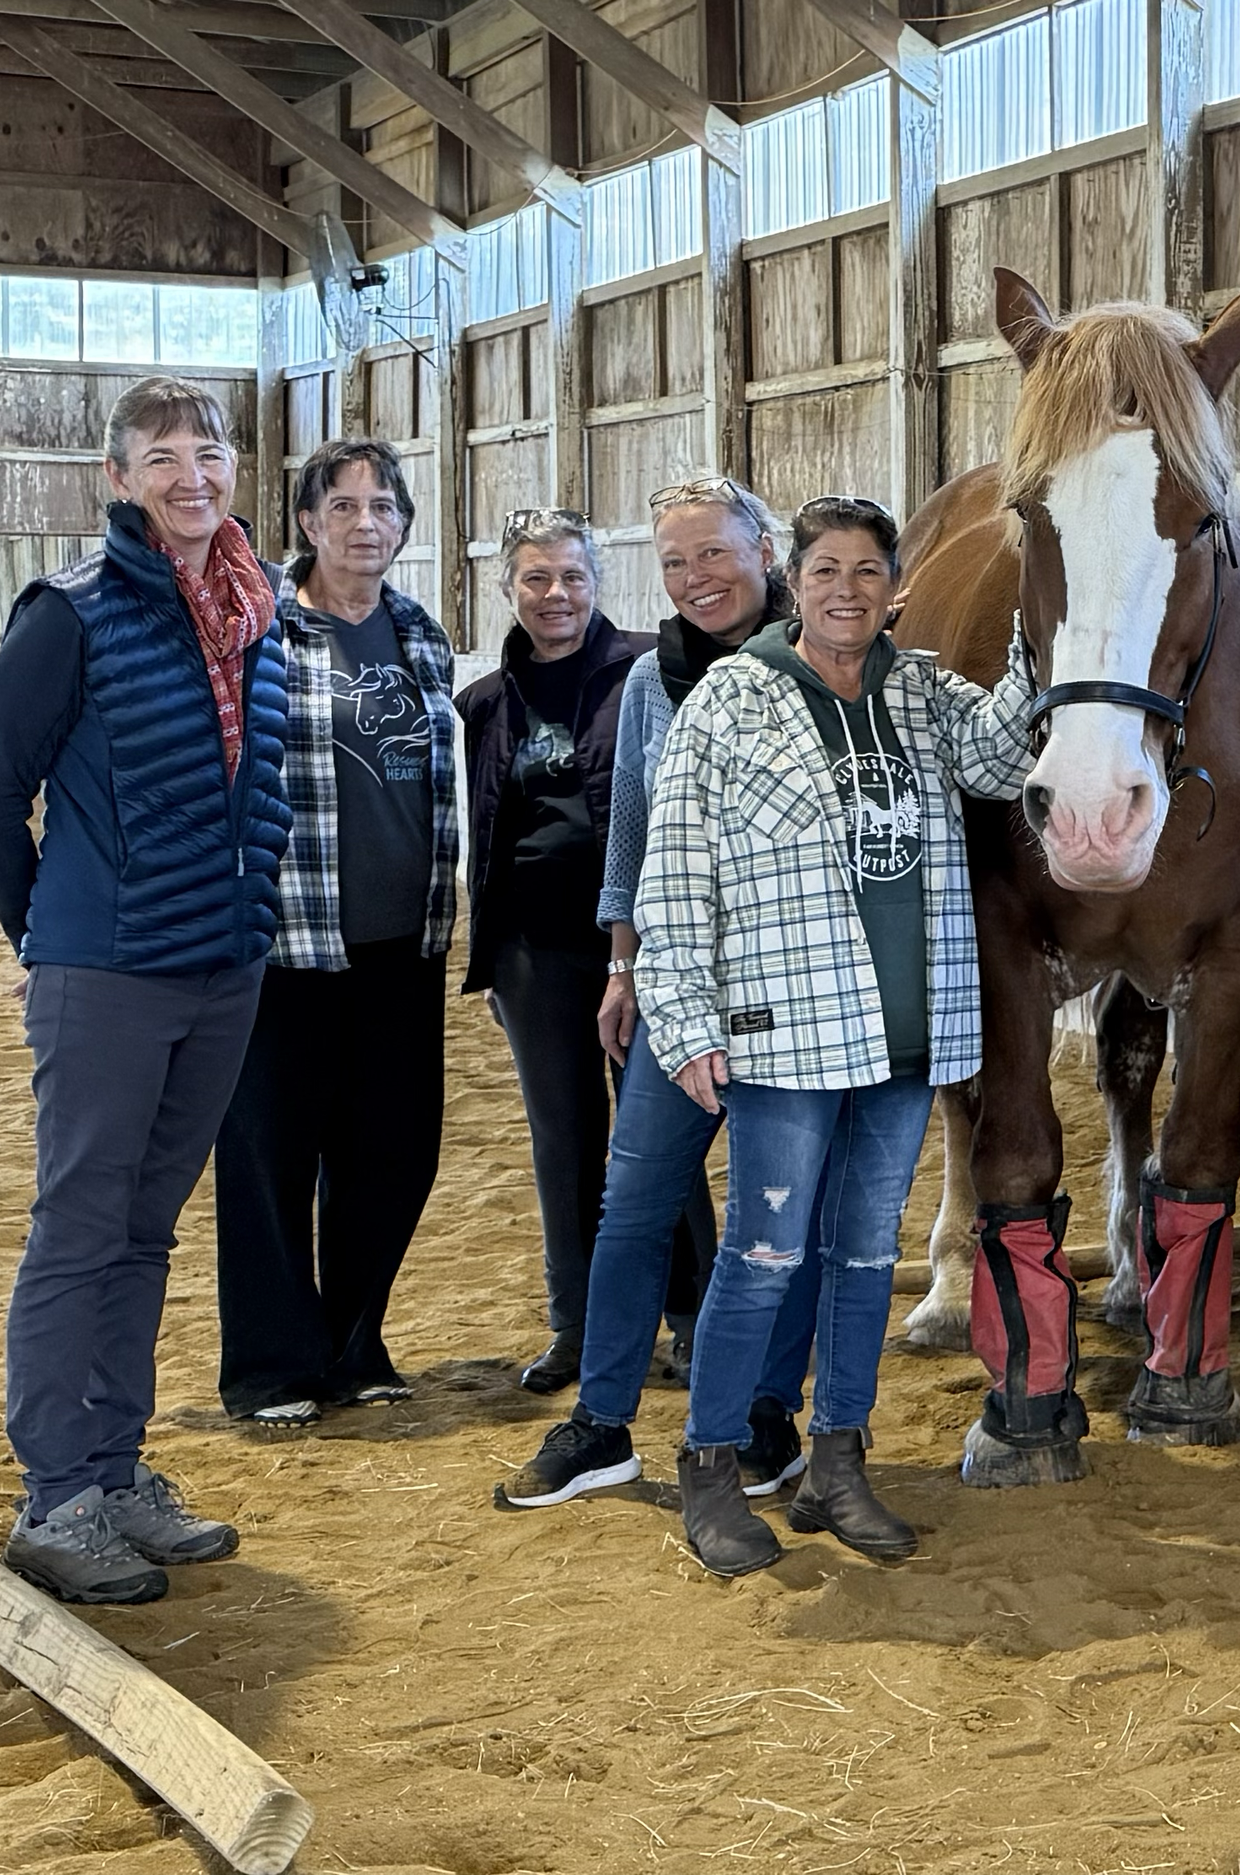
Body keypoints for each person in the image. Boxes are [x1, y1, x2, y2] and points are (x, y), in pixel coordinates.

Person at [634, 495, 1034, 1577]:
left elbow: (1003, 762)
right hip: (786, 1035)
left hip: (904, 1038)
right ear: (792, 583)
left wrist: (1043, 632)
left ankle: (839, 1460)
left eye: (866, 572)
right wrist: (681, 1017)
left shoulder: (924, 693)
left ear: (892, 588)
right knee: (762, 1259)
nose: (846, 590)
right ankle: (710, 1466)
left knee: (864, 1259)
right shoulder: (731, 699)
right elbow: (674, 872)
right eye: (825, 571)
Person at [0, 376, 294, 1603]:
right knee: (79, 1228)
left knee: (147, 1232)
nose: (190, 474)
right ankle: (54, 1497)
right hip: (106, 972)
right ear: (118, 479)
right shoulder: (72, 614)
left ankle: (114, 1468)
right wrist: (54, 938)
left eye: (207, 452)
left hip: (220, 966)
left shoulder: (257, 610)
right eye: (161, 457)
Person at [498, 477, 828, 1509]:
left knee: (785, 1219)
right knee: (632, 1207)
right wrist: (623, 965)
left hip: (794, 994)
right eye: (674, 561)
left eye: (714, 554)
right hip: (675, 986)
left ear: (763, 550)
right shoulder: (649, 682)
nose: (694, 578)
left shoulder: (824, 666)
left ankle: (771, 1415)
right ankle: (602, 1423)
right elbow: (629, 838)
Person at [210, 440, 456, 1427]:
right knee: (272, 1154)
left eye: (383, 505)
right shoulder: (252, 630)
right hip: (284, 942)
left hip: (405, 943)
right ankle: (272, 1366)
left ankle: (355, 1344)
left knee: (394, 1150)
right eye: (342, 506)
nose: (366, 523)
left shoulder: (419, 633)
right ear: (307, 522)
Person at [456, 510, 643, 1393]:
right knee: (563, 1141)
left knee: (654, 1141)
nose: (556, 594)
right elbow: (485, 832)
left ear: (596, 583)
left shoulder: (645, 671)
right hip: (533, 954)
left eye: (571, 576)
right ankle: (575, 1324)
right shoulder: (486, 703)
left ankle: (681, 1318)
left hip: (638, 948)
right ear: (510, 589)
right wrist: (490, 957)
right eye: (536, 579)